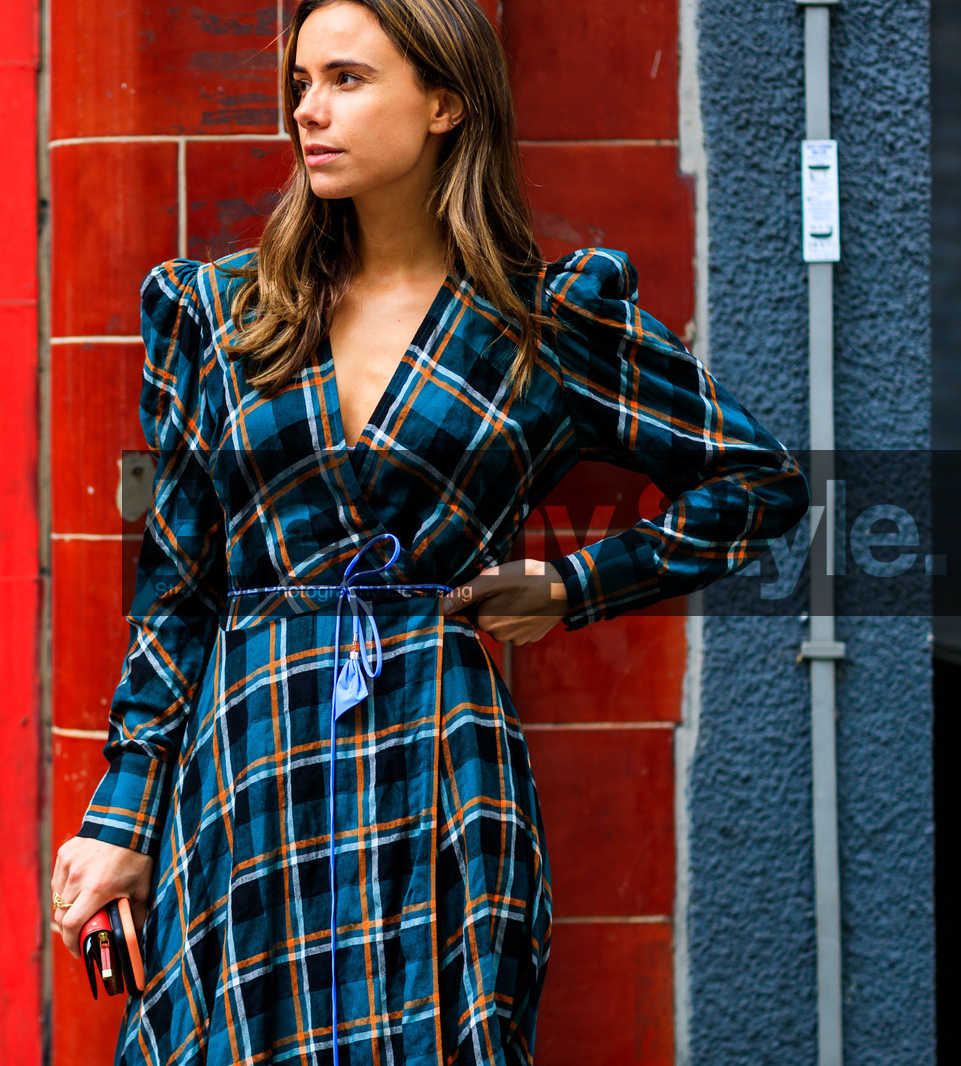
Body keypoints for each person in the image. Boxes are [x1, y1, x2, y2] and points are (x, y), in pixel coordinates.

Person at [50, 0, 811, 1062]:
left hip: (441, 764)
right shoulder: (216, 313)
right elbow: (179, 591)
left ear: (445, 102)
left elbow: (758, 480)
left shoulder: (547, 318)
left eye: (347, 81)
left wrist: (572, 586)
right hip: (249, 766)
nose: (309, 112)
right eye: (301, 84)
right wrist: (124, 814)